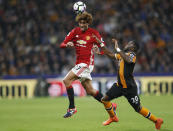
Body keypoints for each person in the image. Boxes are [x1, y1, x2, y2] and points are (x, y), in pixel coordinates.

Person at [93, 35, 163, 130]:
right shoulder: (122, 55)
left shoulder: (132, 55)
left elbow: (128, 60)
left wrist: (117, 48)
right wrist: (100, 44)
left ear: (133, 47)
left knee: (138, 109)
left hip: (130, 88)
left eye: (129, 43)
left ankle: (157, 121)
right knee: (104, 99)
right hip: (119, 86)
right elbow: (110, 54)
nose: (127, 44)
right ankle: (113, 117)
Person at [60, 12, 108, 118]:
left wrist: (99, 50)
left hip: (87, 64)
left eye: (84, 23)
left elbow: (104, 48)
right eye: (80, 23)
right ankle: (110, 105)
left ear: (88, 23)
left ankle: (72, 108)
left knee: (66, 80)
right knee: (90, 90)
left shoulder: (94, 33)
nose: (82, 25)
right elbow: (62, 44)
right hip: (79, 64)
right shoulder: (74, 31)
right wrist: (67, 44)